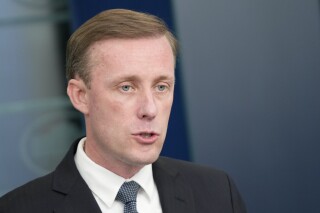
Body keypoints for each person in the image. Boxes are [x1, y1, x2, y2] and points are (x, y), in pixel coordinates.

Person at [0, 9, 246, 213]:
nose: (150, 109)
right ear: (80, 96)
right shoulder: (18, 208)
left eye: (161, 86)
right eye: (126, 87)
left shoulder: (218, 193)